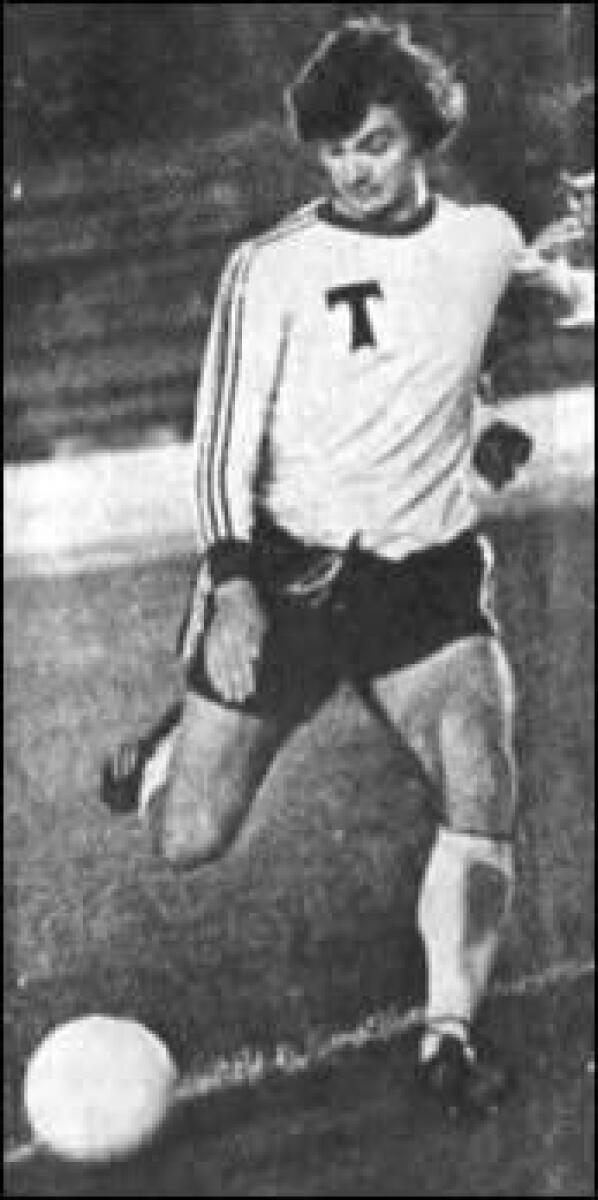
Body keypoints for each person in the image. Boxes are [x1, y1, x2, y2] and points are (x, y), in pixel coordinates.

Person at [101, 18, 590, 1116]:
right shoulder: (270, 268)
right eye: (333, 151)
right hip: (289, 580)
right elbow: (222, 446)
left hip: (423, 578)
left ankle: (448, 1037)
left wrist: (483, 416)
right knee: (188, 840)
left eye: (373, 143)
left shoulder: (482, 240)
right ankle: (172, 740)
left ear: (421, 135)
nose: (353, 170)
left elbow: (519, 313)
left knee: (480, 769)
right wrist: (232, 590)